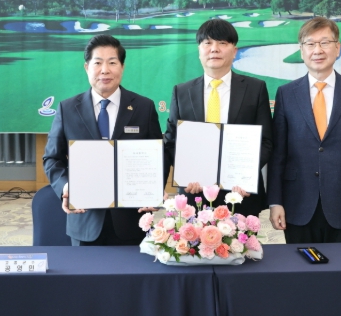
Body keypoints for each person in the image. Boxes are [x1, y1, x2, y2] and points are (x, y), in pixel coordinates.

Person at [267, 16, 341, 243]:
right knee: (301, 264)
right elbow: (278, 155)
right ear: (301, 51)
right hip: (297, 203)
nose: (317, 50)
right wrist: (275, 202)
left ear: (337, 48)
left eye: (325, 43)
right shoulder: (286, 94)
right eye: (310, 44)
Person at [43, 34, 163, 246]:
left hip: (132, 221)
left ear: (122, 67)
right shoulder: (67, 109)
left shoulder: (144, 107)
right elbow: (52, 158)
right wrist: (66, 187)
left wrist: (154, 190)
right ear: (87, 67)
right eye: (97, 63)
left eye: (112, 62)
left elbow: (157, 158)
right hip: (85, 219)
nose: (105, 70)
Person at [164, 19, 272, 217]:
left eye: (222, 43)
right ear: (199, 50)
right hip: (194, 195)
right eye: (208, 43)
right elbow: (171, 141)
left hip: (241, 194)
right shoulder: (182, 92)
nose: (214, 49)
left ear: (234, 51)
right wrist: (186, 174)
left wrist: (245, 175)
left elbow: (266, 141)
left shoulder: (255, 89)